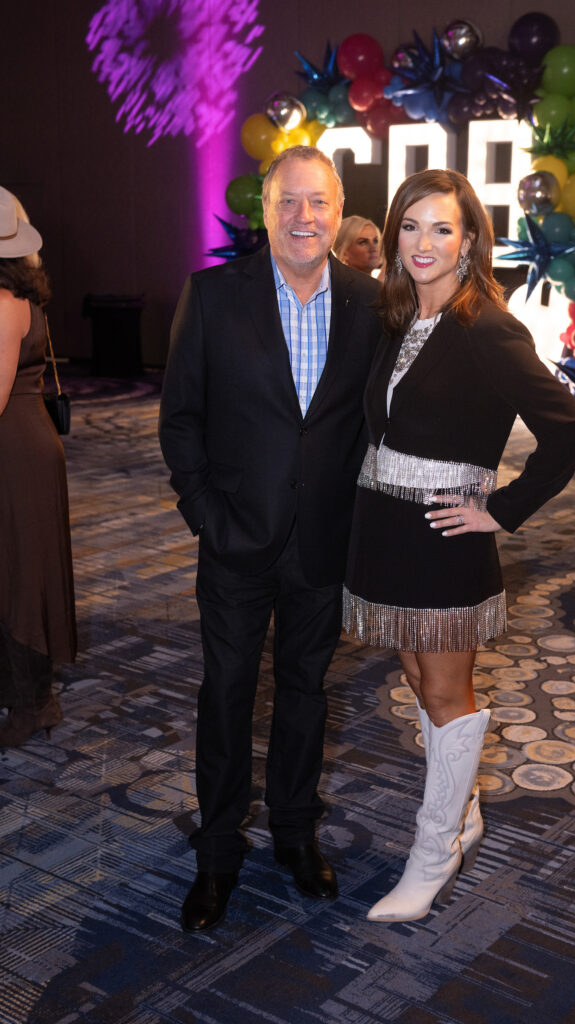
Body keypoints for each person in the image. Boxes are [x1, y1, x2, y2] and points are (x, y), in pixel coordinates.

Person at [343, 168, 575, 923]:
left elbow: (568, 429)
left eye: (441, 228)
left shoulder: (487, 324)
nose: (423, 242)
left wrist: (503, 509)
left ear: (468, 240)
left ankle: (434, 847)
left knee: (447, 692)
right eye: (410, 226)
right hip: (386, 526)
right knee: (419, 679)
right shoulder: (398, 314)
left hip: (445, 537)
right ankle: (464, 811)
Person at [159, 146, 381, 933]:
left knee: (304, 696)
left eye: (317, 203)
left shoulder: (368, 303)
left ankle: (294, 833)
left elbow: (369, 423)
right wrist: (206, 518)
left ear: (339, 206)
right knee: (224, 697)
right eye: (288, 202)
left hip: (322, 545)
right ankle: (217, 853)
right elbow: (179, 420)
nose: (303, 218)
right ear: (264, 209)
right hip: (235, 544)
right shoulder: (214, 296)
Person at [0, 187, 76, 747]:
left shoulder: (3, 303)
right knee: (16, 569)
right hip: (22, 444)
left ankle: (32, 704)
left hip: (15, 450)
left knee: (19, 576)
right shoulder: (15, 295)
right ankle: (28, 697)